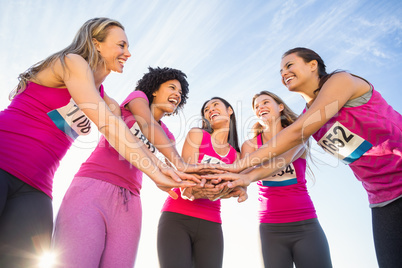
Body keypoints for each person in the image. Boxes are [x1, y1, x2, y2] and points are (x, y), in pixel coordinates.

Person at [0, 18, 197, 268]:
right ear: (97, 44)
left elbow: (124, 136)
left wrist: (161, 169)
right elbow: (109, 125)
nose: (128, 53)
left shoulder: (106, 100)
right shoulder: (71, 62)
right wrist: (159, 171)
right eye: (121, 45)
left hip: (36, 188)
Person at [208, 47, 402, 268]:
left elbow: (294, 134)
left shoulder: (342, 81)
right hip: (382, 198)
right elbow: (281, 157)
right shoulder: (306, 120)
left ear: (313, 65)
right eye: (280, 71)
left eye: (289, 65)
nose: (283, 73)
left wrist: (237, 169)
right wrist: (243, 178)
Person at [52, 67, 192, 267]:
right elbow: (146, 125)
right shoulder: (136, 99)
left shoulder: (167, 136)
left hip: (131, 202)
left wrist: (195, 182)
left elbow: (175, 171)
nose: (177, 94)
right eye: (172, 88)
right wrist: (178, 164)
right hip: (93, 187)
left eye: (180, 93)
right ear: (154, 90)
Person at [241, 91, 332, 268]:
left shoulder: (298, 134)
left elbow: (283, 159)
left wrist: (246, 176)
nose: (261, 108)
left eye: (265, 102)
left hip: (306, 224)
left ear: (280, 107)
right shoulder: (250, 145)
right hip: (270, 228)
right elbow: (243, 175)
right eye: (257, 107)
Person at [157, 97, 241, 268]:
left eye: (215, 105)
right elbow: (187, 178)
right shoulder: (197, 135)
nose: (210, 110)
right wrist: (217, 189)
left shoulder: (236, 156)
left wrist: (228, 191)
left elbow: (235, 189)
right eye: (206, 109)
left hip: (211, 223)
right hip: (177, 217)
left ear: (230, 110)